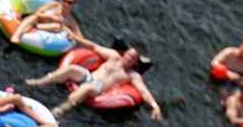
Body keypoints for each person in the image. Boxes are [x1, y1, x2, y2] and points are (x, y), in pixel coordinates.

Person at [27, 33, 163, 120]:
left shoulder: (132, 75)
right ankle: (40, 82)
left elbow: (144, 91)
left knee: (87, 89)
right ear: (125, 53)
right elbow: (94, 46)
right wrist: (75, 38)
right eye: (128, 54)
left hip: (98, 88)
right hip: (88, 76)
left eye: (132, 58)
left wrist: (155, 106)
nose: (128, 58)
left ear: (135, 62)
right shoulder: (113, 56)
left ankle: (61, 109)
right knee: (72, 69)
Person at [11, 0, 82, 46]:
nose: (65, 4)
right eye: (64, 0)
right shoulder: (54, 4)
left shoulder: (70, 20)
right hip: (35, 22)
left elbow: (80, 37)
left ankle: (21, 33)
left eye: (69, 2)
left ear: (73, 5)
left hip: (42, 30)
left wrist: (72, 36)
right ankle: (16, 35)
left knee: (59, 26)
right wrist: (49, 17)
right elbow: (38, 12)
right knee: (34, 17)